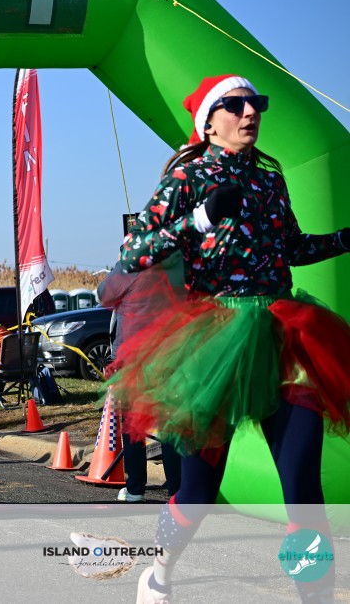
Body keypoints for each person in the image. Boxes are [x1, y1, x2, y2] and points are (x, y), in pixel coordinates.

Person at [104, 75, 350, 603]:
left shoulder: (270, 180)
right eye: (235, 105)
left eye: (255, 103)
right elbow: (132, 254)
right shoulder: (187, 178)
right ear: (209, 124)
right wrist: (199, 217)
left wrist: (344, 239)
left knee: (304, 490)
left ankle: (316, 595)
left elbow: (291, 248)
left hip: (282, 333)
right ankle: (160, 573)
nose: (249, 112)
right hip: (213, 339)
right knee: (198, 490)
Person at [97, 255, 183, 503]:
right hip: (168, 354)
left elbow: (104, 293)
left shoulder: (131, 263)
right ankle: (177, 490)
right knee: (169, 424)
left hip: (133, 355)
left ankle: (135, 488)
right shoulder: (177, 263)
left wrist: (121, 262)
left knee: (134, 424)